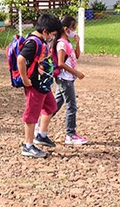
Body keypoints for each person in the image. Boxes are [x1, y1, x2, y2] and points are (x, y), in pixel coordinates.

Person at [18, 13, 61, 158]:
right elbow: (21, 59)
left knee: (51, 107)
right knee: (32, 115)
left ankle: (41, 135)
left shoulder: (41, 41)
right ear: (45, 31)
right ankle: (28, 145)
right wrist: (24, 79)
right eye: (52, 35)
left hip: (44, 85)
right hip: (34, 85)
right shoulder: (33, 43)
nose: (52, 38)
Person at [52, 15, 87, 145]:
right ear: (66, 29)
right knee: (71, 106)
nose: (74, 31)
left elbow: (76, 56)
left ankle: (40, 125)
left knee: (56, 104)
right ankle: (70, 134)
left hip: (67, 79)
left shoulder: (68, 43)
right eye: (73, 29)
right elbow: (61, 63)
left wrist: (78, 42)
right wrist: (76, 73)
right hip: (65, 78)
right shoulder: (61, 43)